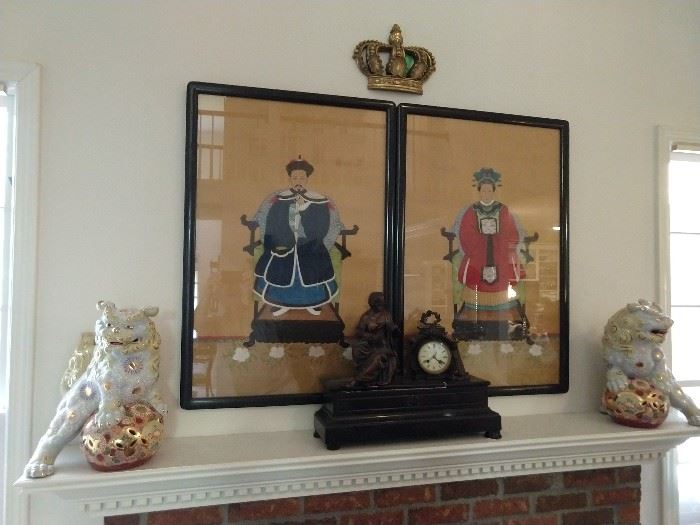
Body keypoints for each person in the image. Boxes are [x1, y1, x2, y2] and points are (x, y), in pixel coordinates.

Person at [252, 156, 344, 317]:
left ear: (307, 178)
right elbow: (273, 222)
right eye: (295, 177)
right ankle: (282, 303)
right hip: (284, 243)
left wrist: (304, 210)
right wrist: (277, 241)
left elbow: (322, 225)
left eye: (302, 177)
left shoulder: (318, 200)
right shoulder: (280, 199)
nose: (298, 180)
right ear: (289, 179)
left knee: (312, 271)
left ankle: (314, 303)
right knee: (282, 272)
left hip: (310, 244)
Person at [452, 167, 526, 321]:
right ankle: (473, 322)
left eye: (489, 191)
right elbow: (465, 233)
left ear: (493, 191)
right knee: (475, 284)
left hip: (499, 256)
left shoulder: (503, 210)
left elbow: (512, 233)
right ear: (479, 192)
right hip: (478, 258)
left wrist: (497, 236)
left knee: (504, 285)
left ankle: (506, 323)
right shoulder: (472, 211)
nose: (486, 194)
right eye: (483, 191)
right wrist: (482, 238)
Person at [349, 292, 397, 386]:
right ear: (373, 304)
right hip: (369, 344)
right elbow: (359, 331)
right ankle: (360, 378)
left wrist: (392, 328)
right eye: (378, 303)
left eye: (382, 303)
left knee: (378, 357)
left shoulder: (386, 315)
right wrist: (369, 336)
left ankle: (358, 379)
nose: (381, 306)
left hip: (383, 346)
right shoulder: (366, 317)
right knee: (357, 348)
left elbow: (393, 331)